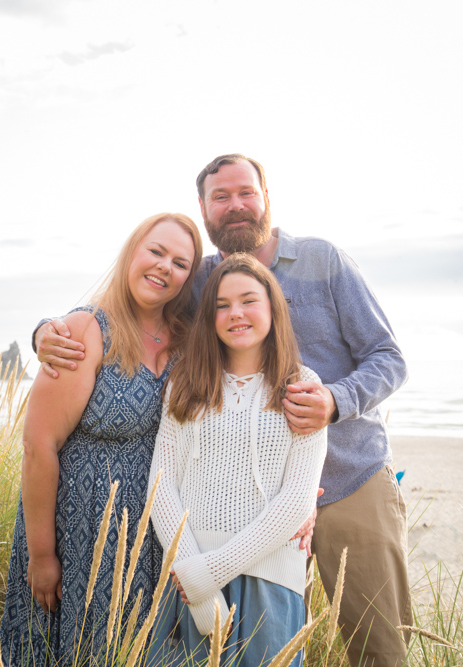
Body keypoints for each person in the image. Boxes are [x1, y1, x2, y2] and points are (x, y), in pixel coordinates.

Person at [35, 155, 410, 667]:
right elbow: (136, 305)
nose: (235, 206)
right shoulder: (204, 279)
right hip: (243, 510)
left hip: (348, 481)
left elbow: (389, 358)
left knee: (379, 646)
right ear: (204, 210)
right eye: (220, 197)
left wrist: (334, 401)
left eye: (245, 193)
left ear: (266, 197)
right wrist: (51, 328)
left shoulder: (324, 261)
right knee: (255, 643)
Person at [0, 212, 203, 665]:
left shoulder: (187, 337)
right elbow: (38, 448)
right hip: (79, 530)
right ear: (132, 252)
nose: (165, 266)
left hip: (150, 533)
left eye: (180, 262)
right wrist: (43, 555)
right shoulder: (86, 330)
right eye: (156, 251)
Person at [146, 253, 326, 667]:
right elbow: (162, 484)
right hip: (187, 580)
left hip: (269, 579)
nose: (235, 313)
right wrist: (193, 571)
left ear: (272, 308)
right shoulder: (186, 383)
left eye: (248, 300)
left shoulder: (302, 385)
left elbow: (297, 500)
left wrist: (214, 570)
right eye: (222, 305)